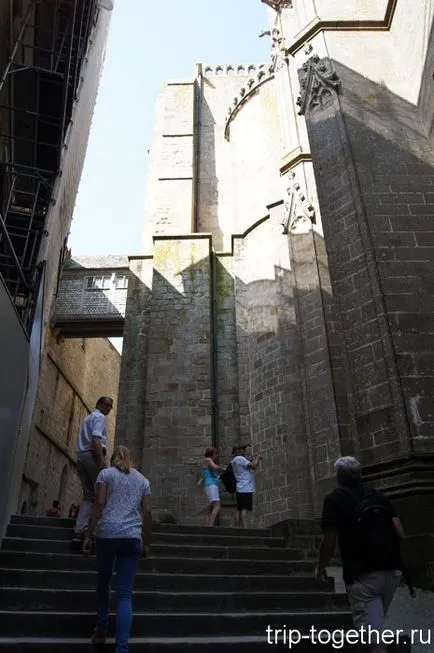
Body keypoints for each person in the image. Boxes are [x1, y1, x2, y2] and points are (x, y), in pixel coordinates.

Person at [317, 456, 406, 653]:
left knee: (373, 640)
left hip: (363, 577)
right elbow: (400, 532)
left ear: (339, 476)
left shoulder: (334, 499)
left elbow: (330, 539)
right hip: (392, 572)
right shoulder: (378, 496)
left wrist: (321, 565)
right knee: (371, 629)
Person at [83, 445, 152, 653]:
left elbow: (99, 504)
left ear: (113, 458)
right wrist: (146, 542)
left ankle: (102, 629)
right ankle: (122, 648)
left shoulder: (105, 474)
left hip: (107, 535)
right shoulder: (142, 480)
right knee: (124, 594)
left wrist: (88, 533)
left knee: (103, 583)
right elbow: (147, 513)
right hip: (132, 537)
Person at [72, 396, 113, 543]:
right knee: (102, 493)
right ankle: (95, 531)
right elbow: (96, 439)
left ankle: (79, 530)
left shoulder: (87, 418)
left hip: (80, 456)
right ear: (99, 404)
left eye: (110, 407)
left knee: (89, 496)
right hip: (92, 456)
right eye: (107, 405)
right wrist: (101, 463)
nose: (108, 408)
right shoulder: (99, 417)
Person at [231, 445, 262, 528]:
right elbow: (254, 466)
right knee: (245, 509)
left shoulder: (233, 461)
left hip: (239, 487)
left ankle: (237, 527)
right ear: (237, 451)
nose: (244, 451)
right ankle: (245, 528)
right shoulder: (240, 459)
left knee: (239, 509)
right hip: (246, 488)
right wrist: (258, 458)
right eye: (243, 449)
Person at [200, 446, 224, 527]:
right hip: (211, 485)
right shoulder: (208, 460)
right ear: (211, 453)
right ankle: (210, 526)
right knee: (217, 506)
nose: (216, 455)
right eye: (215, 453)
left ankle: (207, 526)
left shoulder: (206, 461)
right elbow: (215, 467)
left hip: (209, 484)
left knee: (209, 507)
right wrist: (224, 469)